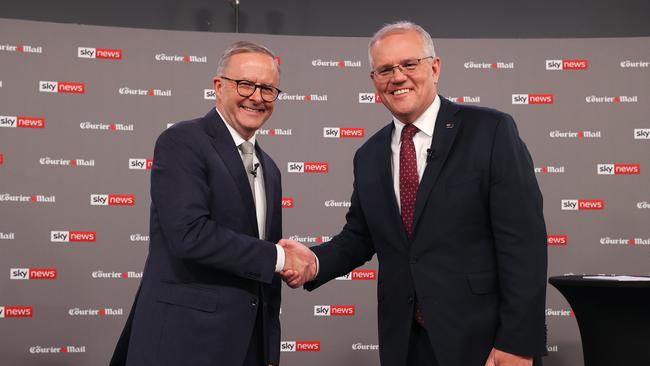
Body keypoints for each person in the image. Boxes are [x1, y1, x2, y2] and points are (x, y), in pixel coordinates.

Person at [280, 21, 548, 366]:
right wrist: (313, 262)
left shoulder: (490, 132)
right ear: (374, 82)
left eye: (409, 64)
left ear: (434, 68)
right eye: (385, 69)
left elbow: (523, 242)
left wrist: (517, 342)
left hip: (484, 343)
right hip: (405, 343)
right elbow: (359, 237)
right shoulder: (369, 154)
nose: (398, 77)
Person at [110, 41, 313, 366]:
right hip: (185, 343)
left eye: (267, 88)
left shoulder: (270, 168)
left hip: (248, 346)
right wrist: (279, 257)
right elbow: (189, 235)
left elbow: (258, 273)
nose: (256, 97)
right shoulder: (182, 141)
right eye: (245, 84)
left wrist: (268, 345)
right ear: (218, 87)